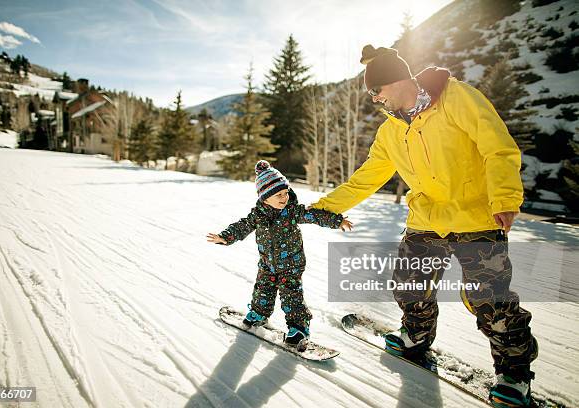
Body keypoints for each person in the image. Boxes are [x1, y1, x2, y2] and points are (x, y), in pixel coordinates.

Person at [310, 46, 538, 407]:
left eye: (375, 91)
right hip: (426, 220)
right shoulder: (390, 132)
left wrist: (506, 197)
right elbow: (364, 181)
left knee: (490, 299)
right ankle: (415, 335)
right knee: (411, 284)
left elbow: (497, 146)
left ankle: (514, 372)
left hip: (476, 216)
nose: (375, 100)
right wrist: (319, 208)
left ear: (392, 81)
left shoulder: (457, 98)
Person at [208, 160, 353, 345]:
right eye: (279, 194)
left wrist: (336, 221)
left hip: (291, 265)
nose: (284, 197)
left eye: (285, 193)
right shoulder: (258, 215)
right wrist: (225, 237)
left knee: (291, 296)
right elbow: (242, 226)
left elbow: (314, 215)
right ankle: (259, 314)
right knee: (262, 291)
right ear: (265, 197)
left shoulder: (292, 212)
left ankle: (299, 328)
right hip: (267, 264)